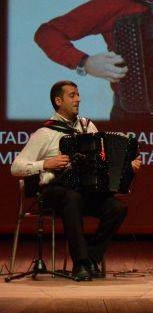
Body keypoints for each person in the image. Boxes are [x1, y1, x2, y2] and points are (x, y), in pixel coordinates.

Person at [11, 80, 141, 281]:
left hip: (86, 192)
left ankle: (90, 257)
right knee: (72, 198)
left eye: (78, 95)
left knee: (117, 208)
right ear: (58, 100)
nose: (78, 99)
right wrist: (46, 164)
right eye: (72, 95)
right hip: (53, 193)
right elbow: (16, 167)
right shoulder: (45, 133)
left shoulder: (88, 127)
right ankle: (80, 263)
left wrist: (127, 167)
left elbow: (103, 162)